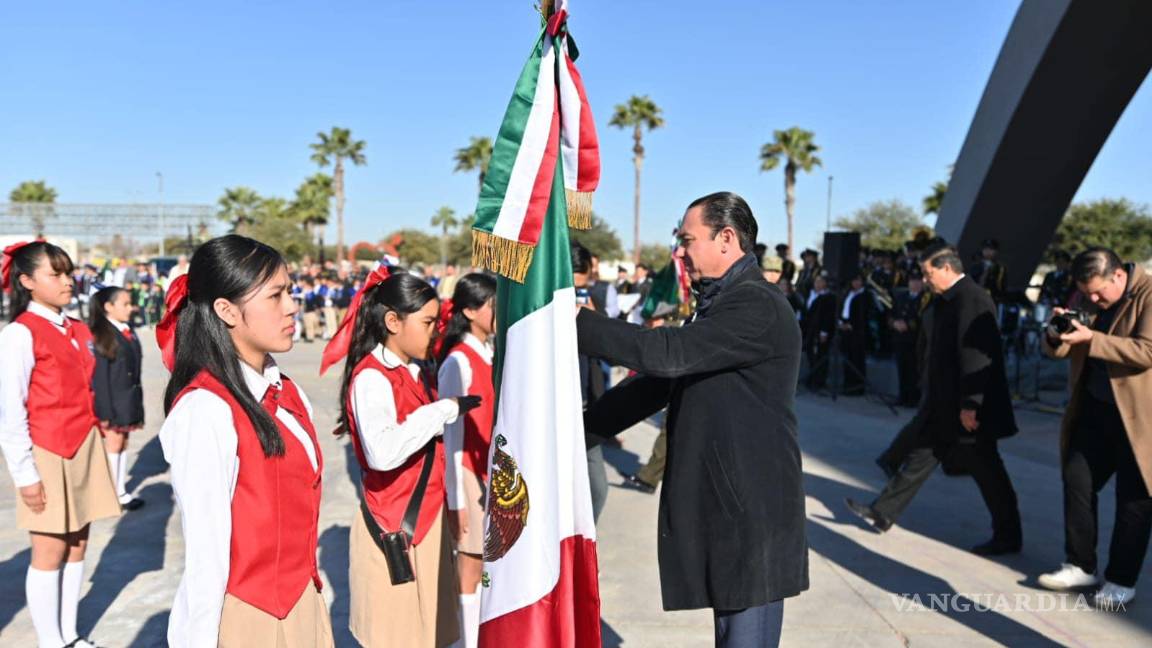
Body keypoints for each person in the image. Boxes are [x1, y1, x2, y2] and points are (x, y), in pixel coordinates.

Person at [579, 191, 807, 648]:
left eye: (688, 239)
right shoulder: (722, 301)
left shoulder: (755, 304)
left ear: (726, 238)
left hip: (752, 514)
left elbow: (668, 354)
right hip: (731, 508)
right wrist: (583, 429)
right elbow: (659, 384)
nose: (681, 251)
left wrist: (574, 322)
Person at [158, 235, 332, 647]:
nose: (292, 306)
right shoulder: (205, 409)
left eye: (289, 292)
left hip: (302, 604)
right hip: (249, 618)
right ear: (226, 310)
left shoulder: (285, 389)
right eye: (275, 296)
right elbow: (206, 553)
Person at [324, 266, 478, 647]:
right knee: (399, 637)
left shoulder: (415, 370)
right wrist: (443, 410)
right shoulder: (372, 377)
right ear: (393, 321)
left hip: (425, 524)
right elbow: (383, 452)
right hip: (395, 528)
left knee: (431, 634)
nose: (436, 331)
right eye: (427, 322)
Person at [846, 240, 1023, 556]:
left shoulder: (972, 299)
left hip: (968, 409)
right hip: (943, 404)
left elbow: (977, 357)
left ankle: (1008, 535)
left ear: (946, 268)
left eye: (929, 273)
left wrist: (972, 404)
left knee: (989, 473)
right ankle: (883, 512)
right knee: (918, 459)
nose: (925, 278)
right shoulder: (944, 300)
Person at [0, 241, 121, 648]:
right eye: (56, 274)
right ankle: (50, 641)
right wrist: (26, 475)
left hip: (84, 442)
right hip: (48, 449)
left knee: (78, 543)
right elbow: (10, 412)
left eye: (68, 273)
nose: (67, 282)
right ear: (27, 282)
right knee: (49, 549)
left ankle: (69, 634)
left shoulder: (77, 329)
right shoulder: (19, 334)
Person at [1037, 248, 1152, 609]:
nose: (1094, 299)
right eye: (1087, 293)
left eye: (1100, 292)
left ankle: (1121, 581)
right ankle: (1080, 565)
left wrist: (1092, 339)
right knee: (1077, 480)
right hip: (1095, 409)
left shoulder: (1149, 295)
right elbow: (1065, 348)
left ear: (1119, 275)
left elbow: (1147, 350)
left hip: (1139, 417)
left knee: (1134, 501)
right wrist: (1058, 334)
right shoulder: (1091, 297)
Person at [436, 273, 497, 648]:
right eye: (493, 305)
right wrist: (456, 499)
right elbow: (451, 435)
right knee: (470, 562)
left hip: (486, 470)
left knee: (482, 562)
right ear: (471, 310)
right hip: (468, 472)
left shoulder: (485, 352)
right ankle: (467, 640)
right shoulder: (458, 362)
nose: (499, 312)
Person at [89, 286, 146, 511]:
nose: (130, 308)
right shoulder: (101, 334)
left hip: (127, 397)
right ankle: (113, 493)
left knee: (123, 443)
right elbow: (100, 378)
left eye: (130, 303)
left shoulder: (126, 329)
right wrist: (105, 411)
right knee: (113, 444)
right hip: (112, 400)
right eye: (125, 304)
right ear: (108, 307)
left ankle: (120, 489)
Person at [572, 242, 609, 522]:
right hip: (557, 410)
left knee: (598, 488)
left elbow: (609, 347)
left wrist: (591, 317)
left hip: (587, 408)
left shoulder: (590, 301)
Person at [889, 270, 930, 407]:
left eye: (918, 281)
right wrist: (894, 323)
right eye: (912, 281)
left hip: (915, 339)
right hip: (900, 337)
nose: (915, 284)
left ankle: (914, 398)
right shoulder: (902, 296)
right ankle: (902, 395)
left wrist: (908, 325)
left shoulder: (926, 298)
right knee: (902, 367)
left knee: (914, 369)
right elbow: (892, 313)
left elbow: (923, 318)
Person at [802, 274, 837, 390]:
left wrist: (824, 332)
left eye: (820, 281)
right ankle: (812, 378)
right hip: (810, 330)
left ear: (825, 284)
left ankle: (819, 381)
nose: (817, 284)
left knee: (820, 355)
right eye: (816, 281)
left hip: (820, 331)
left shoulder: (829, 297)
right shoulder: (811, 295)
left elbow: (828, 316)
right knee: (811, 355)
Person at [838, 272, 870, 395]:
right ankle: (848, 384)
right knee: (848, 358)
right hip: (846, 328)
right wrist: (841, 322)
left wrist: (851, 325)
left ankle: (857, 387)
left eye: (858, 280)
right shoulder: (848, 293)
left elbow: (863, 316)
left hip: (857, 331)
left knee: (857, 360)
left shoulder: (864, 295)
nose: (856, 283)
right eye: (854, 281)